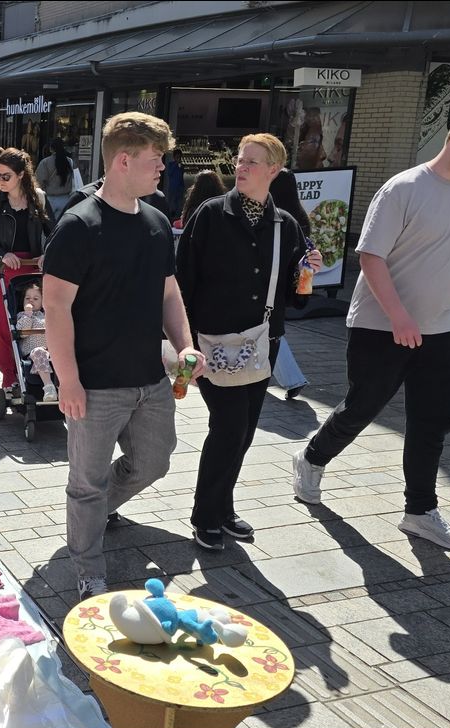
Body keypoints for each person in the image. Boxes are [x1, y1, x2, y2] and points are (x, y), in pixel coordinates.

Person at [292, 100, 450, 553]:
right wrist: (400, 317)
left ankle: (420, 512)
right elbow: (370, 255)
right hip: (381, 324)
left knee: (432, 422)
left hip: (445, 328)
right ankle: (311, 457)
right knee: (362, 407)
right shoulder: (403, 188)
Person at [43, 112, 205, 599]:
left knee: (154, 462)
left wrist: (185, 345)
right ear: (123, 160)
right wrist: (67, 381)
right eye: (156, 161)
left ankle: (89, 515)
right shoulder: (78, 225)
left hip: (151, 380)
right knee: (87, 483)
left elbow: (169, 293)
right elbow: (55, 308)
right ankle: (88, 565)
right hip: (94, 385)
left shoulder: (156, 222)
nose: (163, 170)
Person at [176, 134, 322, 551]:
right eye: (240, 160)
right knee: (228, 427)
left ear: (274, 170)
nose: (241, 168)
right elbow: (182, 280)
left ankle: (222, 508)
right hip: (212, 342)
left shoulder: (286, 226)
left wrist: (306, 272)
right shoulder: (209, 215)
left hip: (262, 343)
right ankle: (206, 513)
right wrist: (183, 343)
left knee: (243, 433)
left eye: (252, 162)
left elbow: (295, 298)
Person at [0, 148, 55, 389]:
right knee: (2, 327)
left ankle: (35, 372)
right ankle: (9, 377)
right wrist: (3, 254)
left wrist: (45, 255)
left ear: (21, 175)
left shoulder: (38, 198)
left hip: (30, 272)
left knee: (33, 324)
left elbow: (55, 233)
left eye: (5, 176)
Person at [268, 167, 314, 400]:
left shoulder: (277, 216)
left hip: (272, 283)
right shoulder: (301, 216)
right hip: (292, 285)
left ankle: (292, 379)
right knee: (271, 332)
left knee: (269, 332)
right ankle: (289, 379)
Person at [16, 283, 57, 402]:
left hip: (48, 351)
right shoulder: (21, 315)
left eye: (35, 298)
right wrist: (28, 314)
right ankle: (49, 387)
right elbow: (22, 333)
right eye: (27, 298)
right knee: (39, 351)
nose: (31, 301)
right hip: (31, 352)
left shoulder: (46, 316)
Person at [35, 139, 79, 214]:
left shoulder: (45, 162)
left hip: (50, 199)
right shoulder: (70, 162)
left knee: (50, 224)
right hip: (65, 199)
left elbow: (38, 181)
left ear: (51, 149)